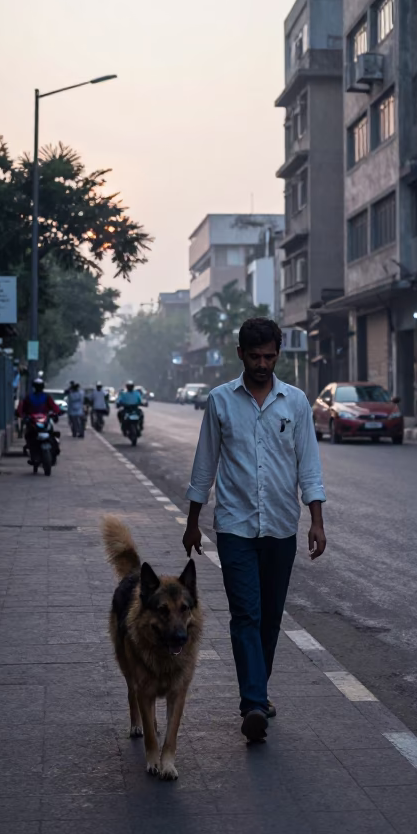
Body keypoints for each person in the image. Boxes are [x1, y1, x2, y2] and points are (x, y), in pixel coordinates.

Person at [183, 317, 327, 744]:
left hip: (281, 526)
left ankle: (258, 691)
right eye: (255, 356)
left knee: (270, 617)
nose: (263, 364)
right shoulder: (221, 401)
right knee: (246, 613)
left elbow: (310, 465)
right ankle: (253, 702)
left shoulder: (295, 403)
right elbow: (204, 465)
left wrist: (316, 520)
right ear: (240, 354)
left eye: (270, 356)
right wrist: (193, 523)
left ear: (277, 354)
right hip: (234, 527)